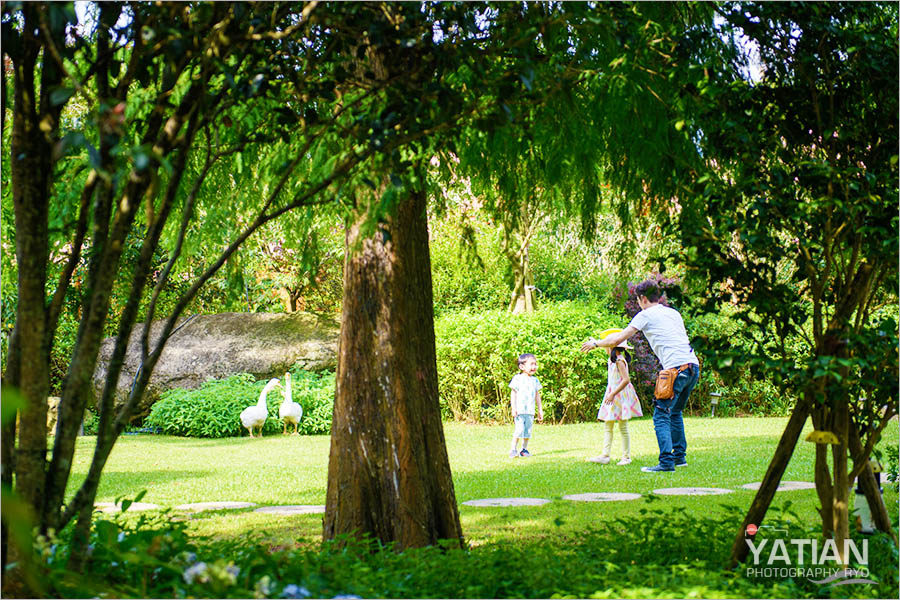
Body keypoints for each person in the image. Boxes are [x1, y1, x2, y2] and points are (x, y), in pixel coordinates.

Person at [581, 280, 700, 472]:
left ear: (642, 298)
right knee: (675, 412)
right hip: (692, 366)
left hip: (675, 369)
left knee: (661, 415)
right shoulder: (673, 313)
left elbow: (618, 338)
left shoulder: (645, 315)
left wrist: (596, 343)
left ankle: (666, 463)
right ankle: (679, 458)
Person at [588, 332, 642, 465]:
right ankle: (605, 455)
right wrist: (595, 342)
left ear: (612, 347)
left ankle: (626, 457)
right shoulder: (612, 360)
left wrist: (613, 394)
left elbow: (626, 380)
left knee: (623, 427)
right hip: (613, 395)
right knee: (608, 424)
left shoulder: (619, 360)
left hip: (620, 395)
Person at [508, 353, 544, 458]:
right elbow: (513, 393)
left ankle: (524, 449)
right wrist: (513, 408)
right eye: (531, 364)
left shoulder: (535, 380)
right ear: (522, 367)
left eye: (535, 364)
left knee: (527, 431)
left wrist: (540, 410)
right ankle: (513, 449)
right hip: (520, 410)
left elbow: (537, 396)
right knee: (519, 430)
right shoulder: (517, 379)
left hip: (530, 411)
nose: (534, 367)